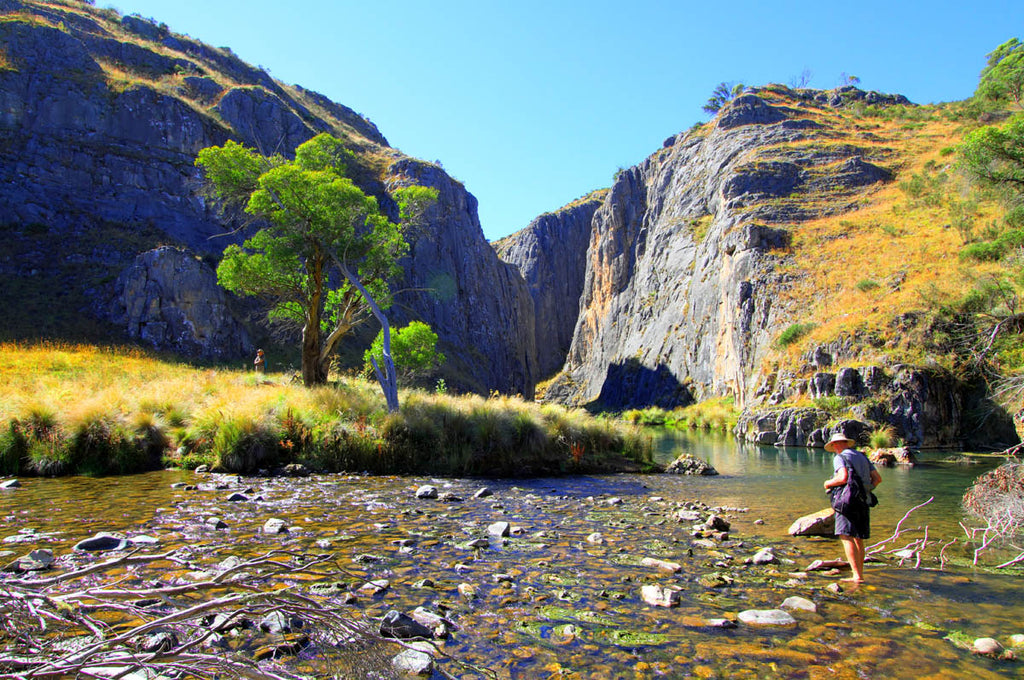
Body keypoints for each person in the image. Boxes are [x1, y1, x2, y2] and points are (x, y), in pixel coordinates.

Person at [822, 432, 882, 583]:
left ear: (836, 445)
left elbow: (843, 477)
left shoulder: (839, 457)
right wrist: (866, 490)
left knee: (846, 535)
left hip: (847, 503)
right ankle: (860, 574)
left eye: (834, 445)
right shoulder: (862, 457)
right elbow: (877, 479)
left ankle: (857, 576)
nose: (834, 448)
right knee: (858, 538)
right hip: (863, 501)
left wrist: (828, 483)